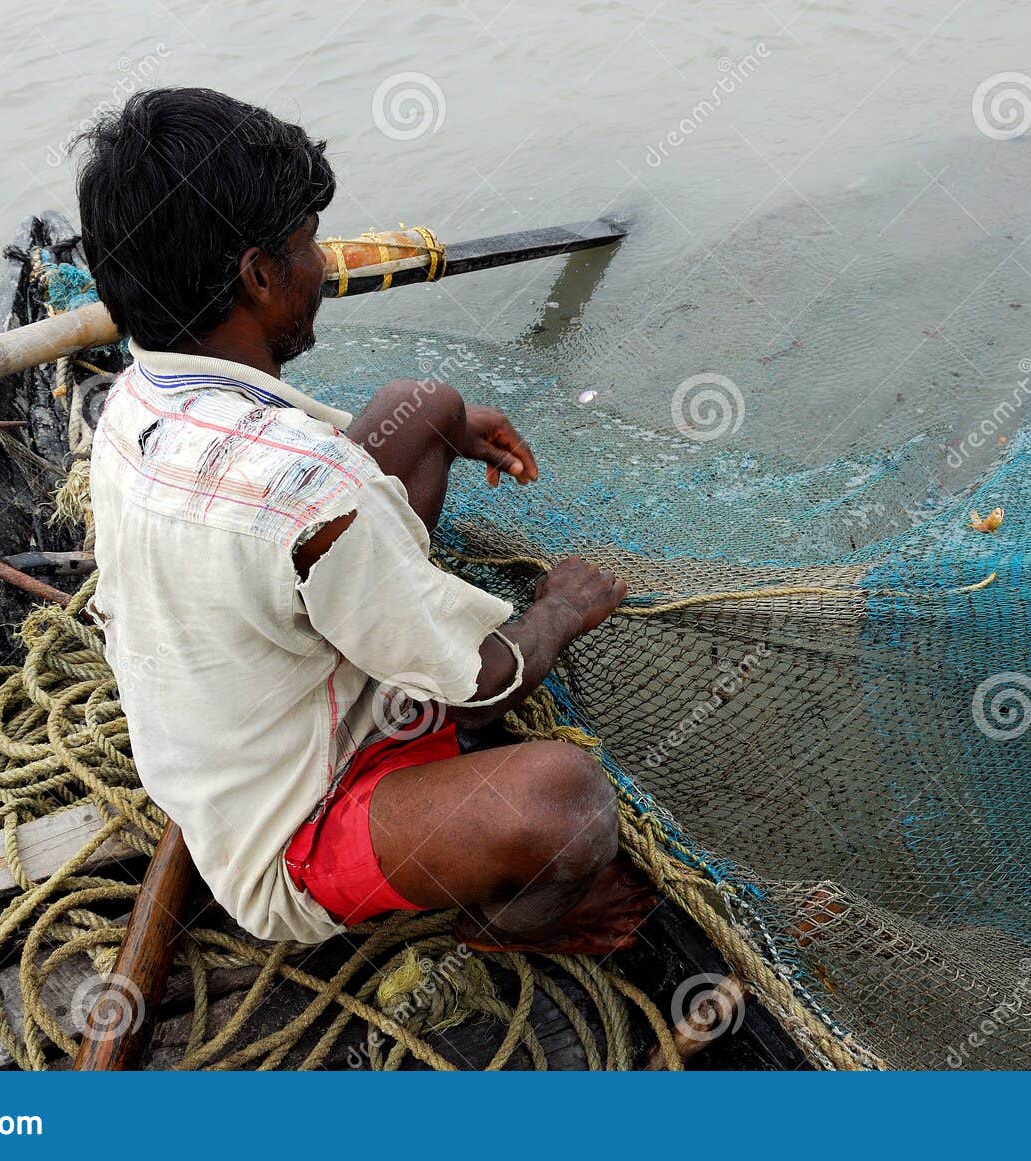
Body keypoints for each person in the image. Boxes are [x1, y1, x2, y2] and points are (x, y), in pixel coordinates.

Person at [78, 87, 651, 954]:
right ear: (260, 276)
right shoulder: (311, 490)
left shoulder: (132, 397)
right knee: (568, 805)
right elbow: (488, 680)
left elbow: (349, 471)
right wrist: (563, 607)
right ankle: (499, 928)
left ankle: (433, 471)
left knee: (416, 405)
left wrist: (453, 429)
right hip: (294, 831)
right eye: (307, 246)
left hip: (264, 708)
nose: (324, 269)